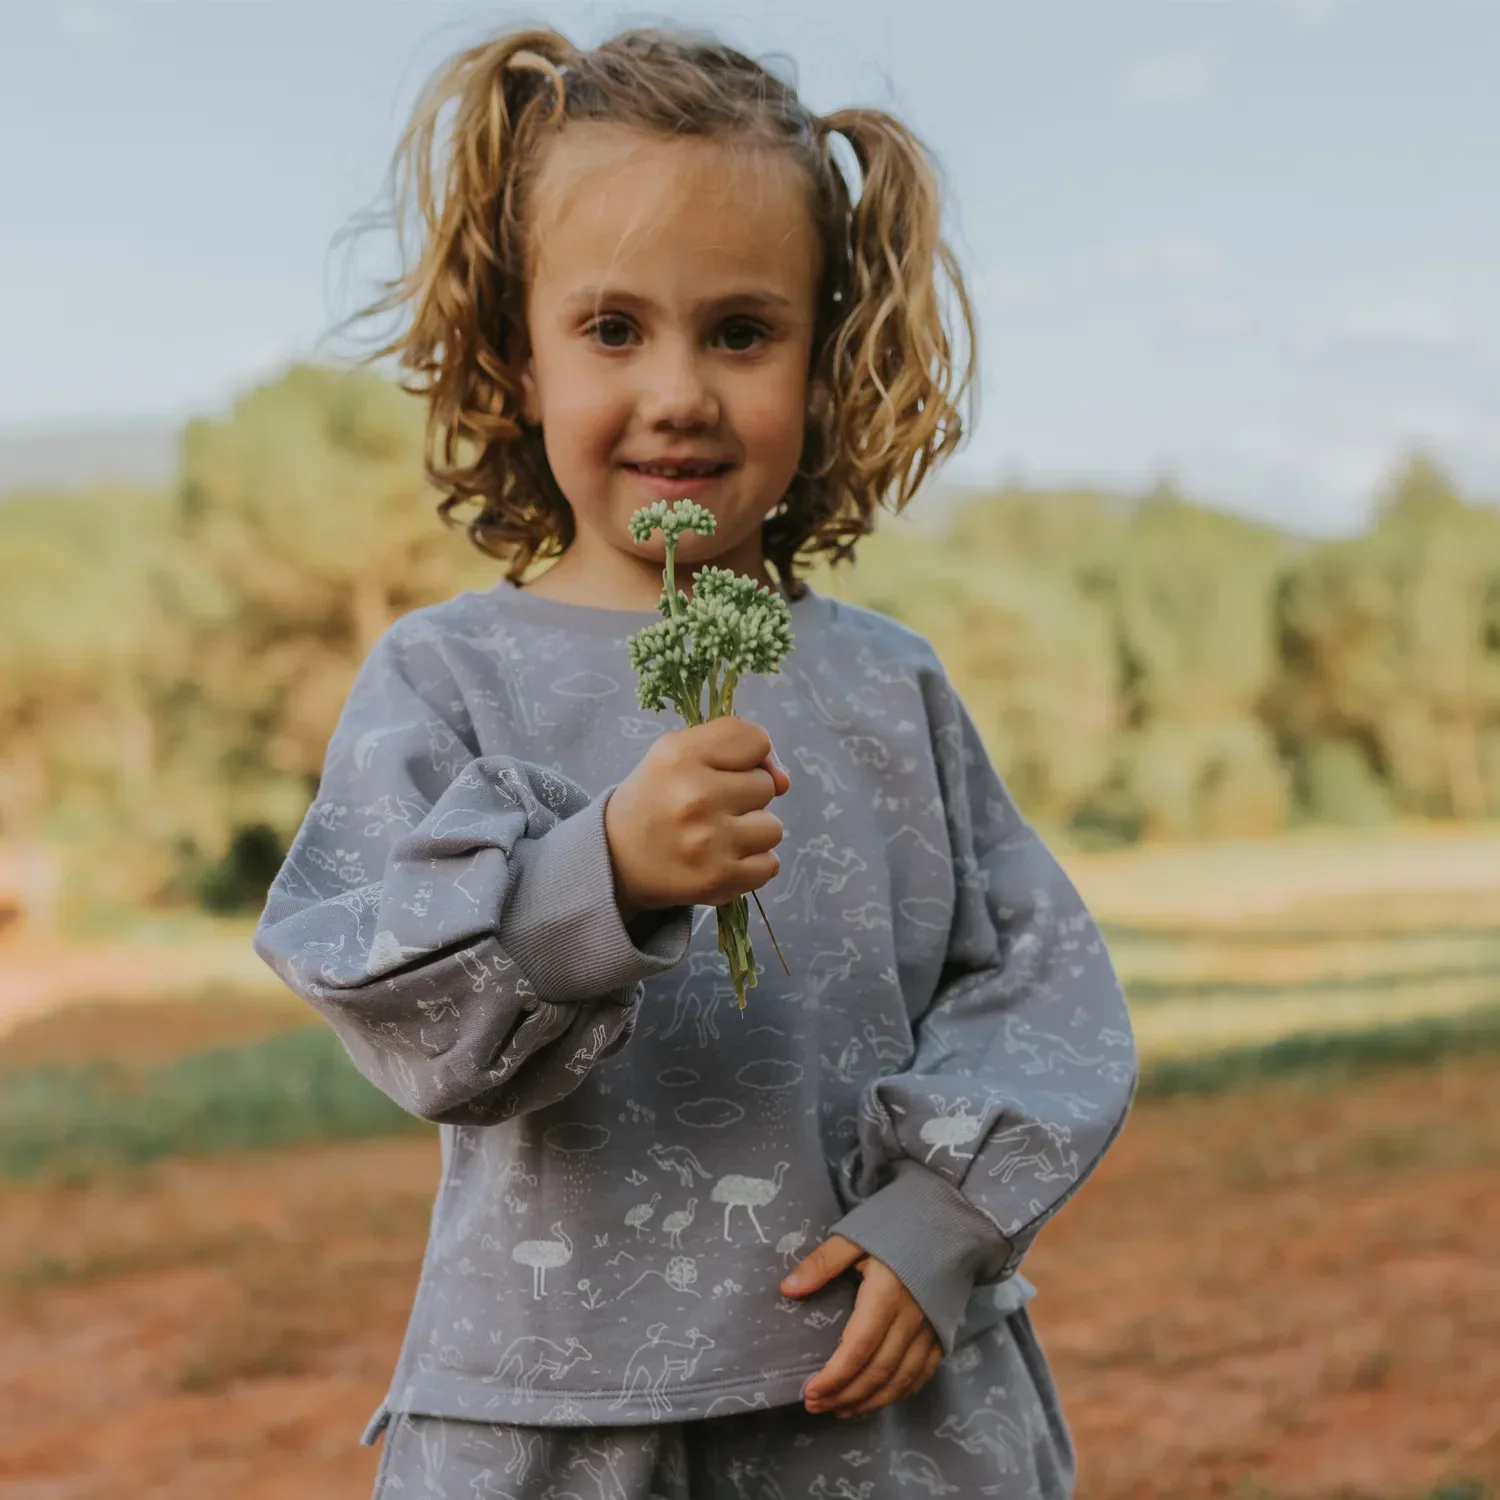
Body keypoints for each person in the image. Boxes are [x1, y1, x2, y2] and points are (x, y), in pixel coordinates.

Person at [253, 24, 1136, 1500]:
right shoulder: (447, 677)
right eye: (612, 330)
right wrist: (592, 876)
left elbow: (1036, 984)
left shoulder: (884, 681)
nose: (678, 391)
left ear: (827, 349)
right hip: (556, 1408)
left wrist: (940, 1225)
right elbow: (395, 992)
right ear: (516, 355)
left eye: (742, 331)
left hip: (874, 1396)